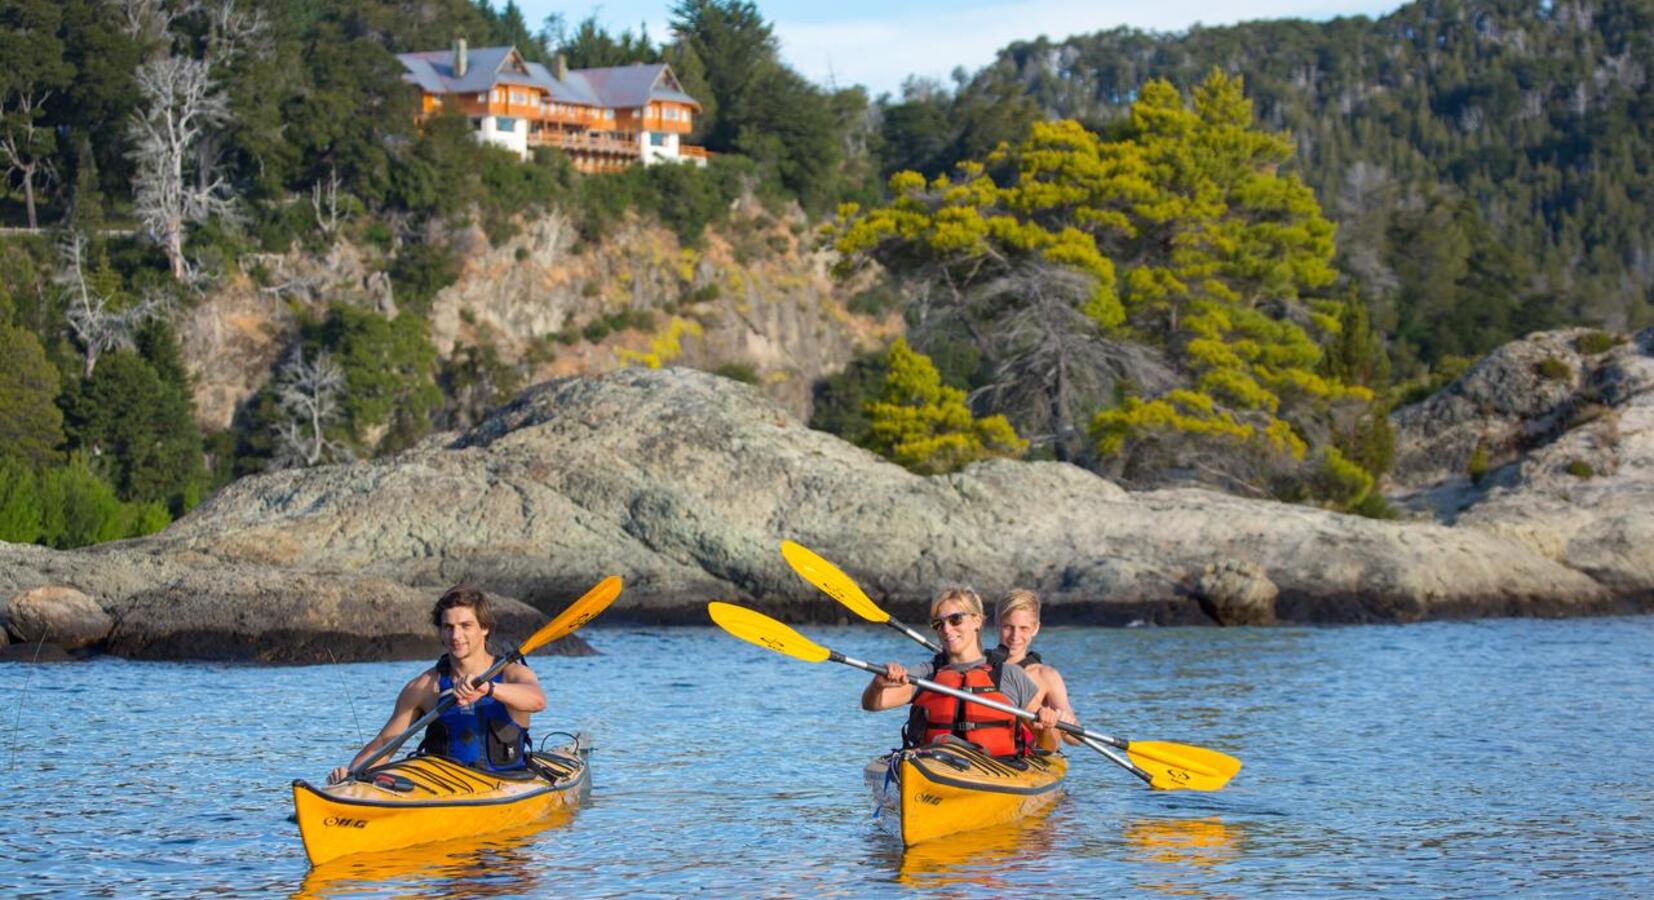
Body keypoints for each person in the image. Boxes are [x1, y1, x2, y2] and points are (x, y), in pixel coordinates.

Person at [328, 586, 546, 784]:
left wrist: (488, 688)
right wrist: (351, 774)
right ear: (441, 631)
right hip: (443, 786)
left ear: (485, 628)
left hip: (505, 780)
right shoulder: (423, 687)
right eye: (448, 627)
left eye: (465, 626)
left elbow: (537, 701)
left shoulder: (512, 674)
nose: (456, 636)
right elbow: (386, 741)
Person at [862, 587, 1061, 755]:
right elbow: (872, 704)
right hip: (935, 768)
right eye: (939, 624)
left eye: (955, 619)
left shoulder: (1008, 675)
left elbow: (1049, 746)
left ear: (977, 621)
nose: (947, 630)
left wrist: (1047, 726)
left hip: (995, 772)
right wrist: (877, 685)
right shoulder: (927, 674)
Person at [992, 589, 1080, 744]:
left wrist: (1065, 727)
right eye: (1008, 627)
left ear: (1035, 628)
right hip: (983, 747)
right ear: (997, 624)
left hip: (1026, 754)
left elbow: (1076, 740)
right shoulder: (980, 666)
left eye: (1023, 628)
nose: (1015, 636)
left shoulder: (1046, 676)